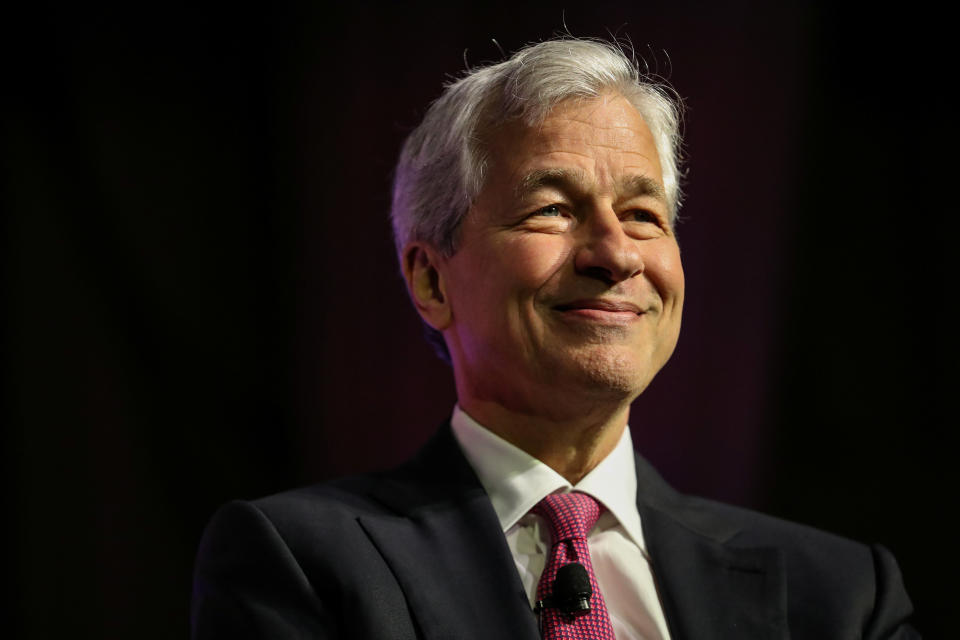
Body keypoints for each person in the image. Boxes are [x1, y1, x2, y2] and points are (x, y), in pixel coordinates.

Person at [191, 37, 918, 639]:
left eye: (642, 214)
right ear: (431, 281)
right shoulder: (304, 564)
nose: (617, 253)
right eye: (551, 210)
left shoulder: (844, 599)